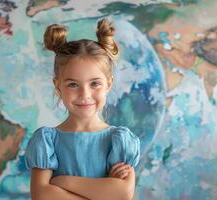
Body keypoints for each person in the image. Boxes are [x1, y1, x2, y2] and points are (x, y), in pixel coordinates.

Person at [24, 18, 141, 200]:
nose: (85, 94)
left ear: (108, 84)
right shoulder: (47, 141)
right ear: (58, 86)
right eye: (73, 84)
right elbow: (42, 195)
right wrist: (103, 191)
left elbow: (123, 194)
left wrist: (63, 182)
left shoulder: (118, 141)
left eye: (95, 83)